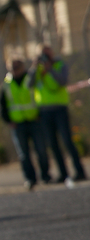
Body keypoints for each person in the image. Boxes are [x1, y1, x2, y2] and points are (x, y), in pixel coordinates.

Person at [33, 45, 87, 184]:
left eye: (47, 54)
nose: (45, 58)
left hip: (59, 110)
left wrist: (50, 69)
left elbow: (63, 81)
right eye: (42, 55)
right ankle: (63, 174)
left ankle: (79, 171)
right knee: (52, 144)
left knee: (67, 141)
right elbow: (29, 84)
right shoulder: (37, 69)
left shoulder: (59, 65)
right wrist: (35, 67)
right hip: (44, 111)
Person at [0, 58, 50, 190]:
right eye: (12, 68)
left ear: (22, 67)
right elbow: (2, 105)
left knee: (41, 150)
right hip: (18, 124)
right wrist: (9, 121)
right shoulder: (7, 84)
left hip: (34, 120)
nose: (15, 70)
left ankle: (45, 175)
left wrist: (40, 114)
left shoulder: (30, 79)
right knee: (23, 154)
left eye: (17, 67)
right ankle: (30, 179)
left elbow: (39, 95)